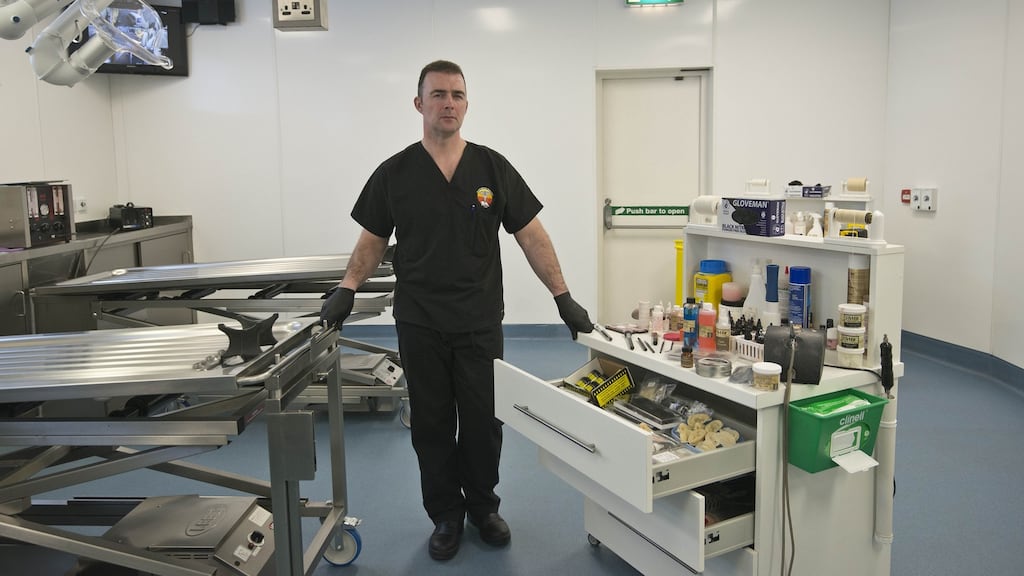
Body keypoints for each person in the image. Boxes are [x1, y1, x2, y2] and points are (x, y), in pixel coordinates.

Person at [320, 59, 594, 561]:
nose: (449, 103)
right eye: (439, 94)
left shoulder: (492, 168)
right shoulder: (395, 172)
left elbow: (531, 235)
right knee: (431, 422)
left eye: (458, 95)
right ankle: (446, 514)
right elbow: (373, 239)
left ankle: (483, 508)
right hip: (420, 321)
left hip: (478, 320)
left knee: (485, 419)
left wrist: (563, 296)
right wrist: (348, 287)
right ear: (419, 103)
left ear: (466, 104)